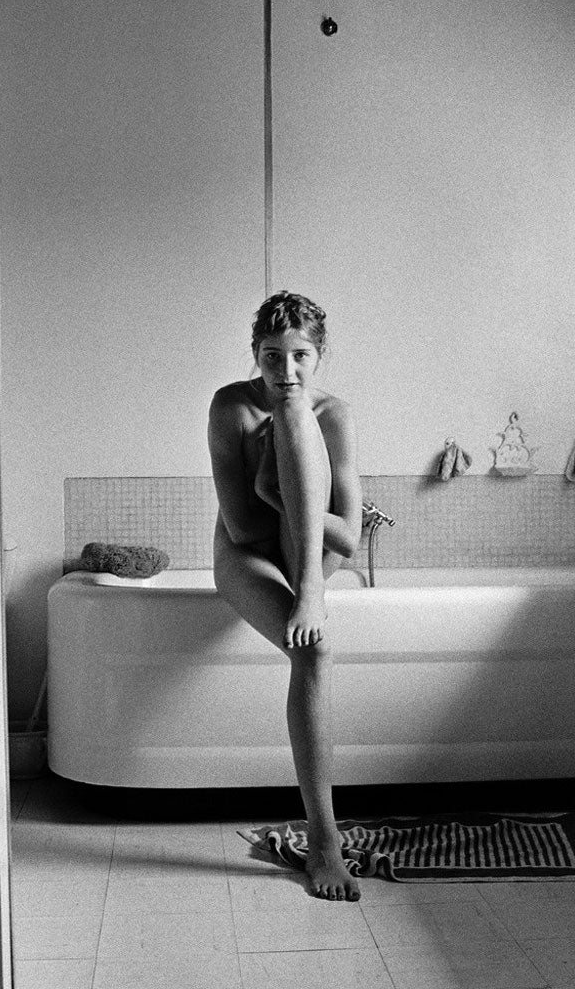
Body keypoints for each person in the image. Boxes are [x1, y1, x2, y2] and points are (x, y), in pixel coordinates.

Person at [207, 291, 363, 901]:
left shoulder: (334, 414)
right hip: (248, 553)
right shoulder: (232, 407)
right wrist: (270, 489)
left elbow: (348, 537)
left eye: (300, 356)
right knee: (315, 652)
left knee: (298, 417)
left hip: (310, 555)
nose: (286, 370)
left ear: (319, 355)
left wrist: (276, 489)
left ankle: (310, 593)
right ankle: (324, 842)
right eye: (272, 356)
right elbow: (244, 528)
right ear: (256, 353)